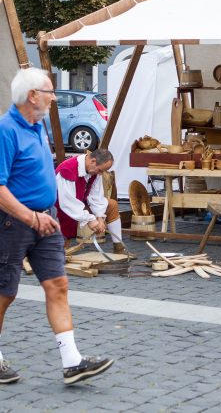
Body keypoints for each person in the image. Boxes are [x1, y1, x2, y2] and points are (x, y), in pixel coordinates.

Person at [0, 68, 113, 385]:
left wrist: (43, 215)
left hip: (44, 221)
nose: (54, 97)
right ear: (33, 95)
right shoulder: (6, 130)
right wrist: (30, 217)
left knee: (58, 285)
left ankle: (72, 361)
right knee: (4, 294)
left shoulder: (37, 126)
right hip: (14, 222)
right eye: (50, 92)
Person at [55, 149, 126, 254]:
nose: (101, 174)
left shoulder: (94, 171)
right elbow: (67, 202)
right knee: (59, 248)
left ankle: (120, 248)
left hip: (80, 204)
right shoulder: (67, 169)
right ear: (93, 161)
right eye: (100, 170)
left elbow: (96, 196)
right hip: (60, 208)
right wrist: (89, 220)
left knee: (111, 205)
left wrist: (100, 217)